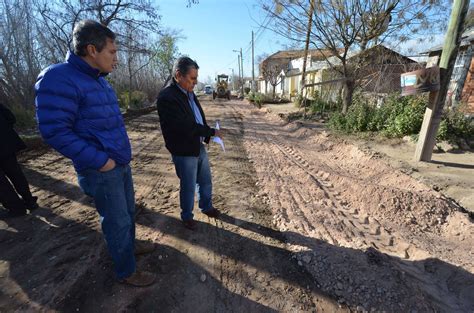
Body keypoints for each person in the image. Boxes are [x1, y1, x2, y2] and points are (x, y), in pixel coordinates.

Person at [35, 20, 155, 287]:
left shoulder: (99, 80)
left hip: (119, 163)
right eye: (112, 52)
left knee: (126, 214)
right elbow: (54, 131)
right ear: (92, 50)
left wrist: (117, 158)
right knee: (116, 221)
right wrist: (101, 161)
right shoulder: (59, 78)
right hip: (102, 168)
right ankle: (127, 271)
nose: (116, 58)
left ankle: (130, 248)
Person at [156, 57, 222, 231]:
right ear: (179, 75)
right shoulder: (167, 97)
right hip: (184, 149)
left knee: (205, 180)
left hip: (197, 145)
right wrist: (211, 132)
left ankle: (206, 206)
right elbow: (185, 126)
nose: (195, 82)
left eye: (196, 78)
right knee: (188, 185)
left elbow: (196, 117)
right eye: (192, 78)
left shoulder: (188, 93)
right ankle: (187, 216)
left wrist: (206, 135)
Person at [0, 103, 38, 218]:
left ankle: (16, 208)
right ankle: (29, 201)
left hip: (4, 142)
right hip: (4, 143)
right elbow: (11, 118)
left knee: (1, 183)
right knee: (15, 173)